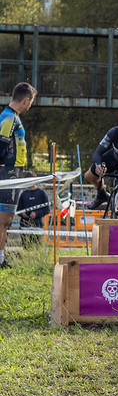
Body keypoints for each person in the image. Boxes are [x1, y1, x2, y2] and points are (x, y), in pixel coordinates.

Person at [0, 82, 37, 268]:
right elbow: (1, 143)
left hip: (12, 172)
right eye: (31, 102)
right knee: (5, 219)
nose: (30, 105)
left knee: (5, 220)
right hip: (8, 172)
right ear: (26, 100)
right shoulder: (9, 118)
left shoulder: (12, 116)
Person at [16, 170, 50, 247]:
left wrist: (36, 214)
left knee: (36, 248)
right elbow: (18, 210)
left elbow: (46, 210)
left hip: (37, 226)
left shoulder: (41, 193)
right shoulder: (23, 194)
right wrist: (22, 214)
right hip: (24, 226)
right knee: (26, 247)